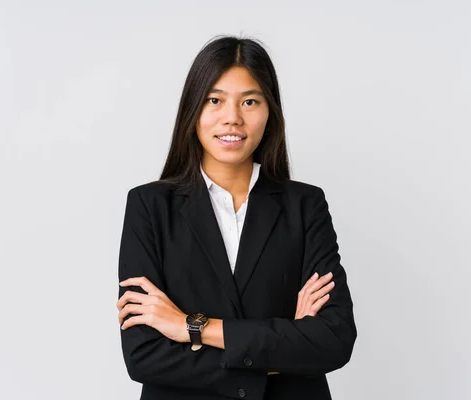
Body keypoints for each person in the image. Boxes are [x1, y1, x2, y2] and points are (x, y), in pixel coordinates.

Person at [116, 35, 357, 400]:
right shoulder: (149, 206)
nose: (233, 118)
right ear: (192, 110)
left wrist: (191, 327)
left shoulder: (305, 205)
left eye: (250, 101)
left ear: (269, 112)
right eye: (215, 100)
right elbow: (144, 356)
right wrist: (286, 343)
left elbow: (333, 340)